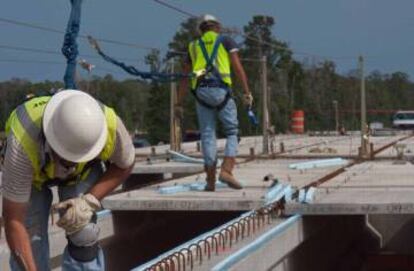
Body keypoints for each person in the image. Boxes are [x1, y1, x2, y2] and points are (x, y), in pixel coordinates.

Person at [2, 90, 135, 271]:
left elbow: (125, 164)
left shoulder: (110, 126)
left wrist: (89, 200)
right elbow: (14, 221)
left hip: (83, 174)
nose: (72, 164)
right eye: (67, 159)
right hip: (32, 177)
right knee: (30, 236)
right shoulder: (22, 144)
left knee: (83, 230)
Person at [178, 14, 253, 191]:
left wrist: (178, 102)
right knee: (232, 132)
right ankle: (226, 170)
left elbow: (184, 77)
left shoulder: (193, 46)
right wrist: (247, 91)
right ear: (217, 27)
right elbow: (237, 67)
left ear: (201, 30)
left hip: (201, 93)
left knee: (207, 135)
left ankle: (210, 181)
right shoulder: (226, 41)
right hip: (222, 92)